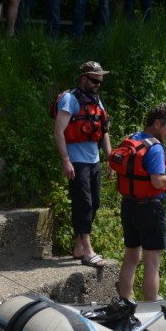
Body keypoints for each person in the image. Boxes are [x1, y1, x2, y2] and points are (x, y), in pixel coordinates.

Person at [114, 104, 166, 302]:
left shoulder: (133, 138)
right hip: (150, 209)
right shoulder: (155, 148)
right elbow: (158, 181)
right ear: (157, 123)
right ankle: (152, 310)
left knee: (131, 257)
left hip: (128, 206)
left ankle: (124, 303)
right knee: (152, 262)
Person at [53, 62, 112, 268]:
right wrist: (65, 160)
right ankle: (88, 251)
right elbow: (59, 131)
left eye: (100, 81)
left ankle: (78, 245)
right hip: (77, 161)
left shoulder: (96, 100)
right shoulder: (70, 99)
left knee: (94, 203)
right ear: (84, 78)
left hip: (94, 160)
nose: (98, 84)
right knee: (83, 204)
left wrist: (110, 159)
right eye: (95, 80)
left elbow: (104, 131)